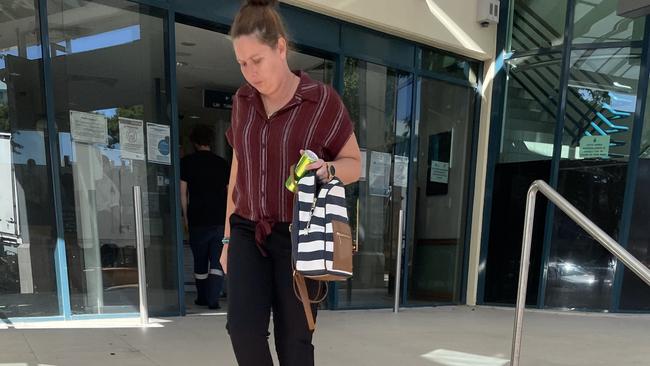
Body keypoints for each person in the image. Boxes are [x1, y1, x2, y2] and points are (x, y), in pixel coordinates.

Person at [220, 0, 362, 364]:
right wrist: (225, 239)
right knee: (242, 330)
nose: (249, 72)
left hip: (302, 236)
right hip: (247, 232)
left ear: (280, 48)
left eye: (257, 60)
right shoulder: (242, 101)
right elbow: (238, 171)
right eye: (241, 63)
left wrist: (328, 169)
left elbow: (354, 165)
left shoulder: (321, 101)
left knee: (295, 341)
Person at [180, 124, 229, 310]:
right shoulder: (222, 163)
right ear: (211, 142)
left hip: (197, 219)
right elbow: (228, 192)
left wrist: (185, 217)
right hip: (219, 219)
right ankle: (213, 298)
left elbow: (183, 194)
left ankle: (202, 296)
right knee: (217, 260)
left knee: (200, 260)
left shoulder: (187, 163)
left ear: (194, 142)